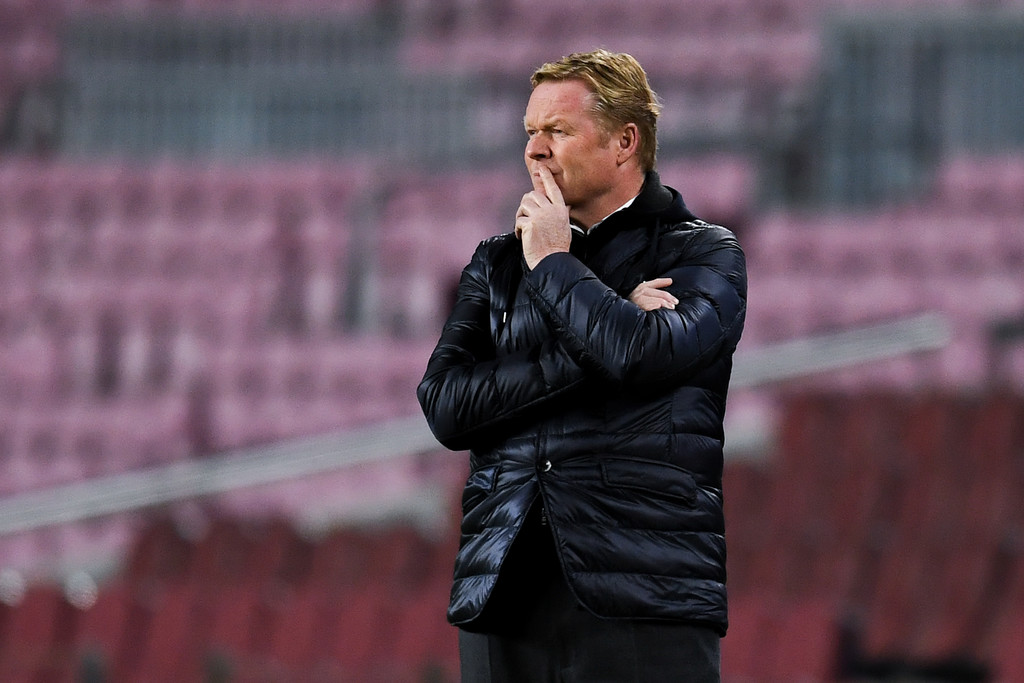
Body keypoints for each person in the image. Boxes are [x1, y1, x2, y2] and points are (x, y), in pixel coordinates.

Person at [417, 49, 747, 682]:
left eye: (557, 131)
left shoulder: (705, 252)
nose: (535, 150)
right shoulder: (494, 263)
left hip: (645, 592)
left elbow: (641, 355)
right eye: (529, 132)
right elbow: (446, 406)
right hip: (503, 589)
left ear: (625, 142)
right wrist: (606, 322)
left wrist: (552, 264)